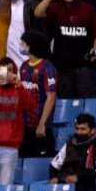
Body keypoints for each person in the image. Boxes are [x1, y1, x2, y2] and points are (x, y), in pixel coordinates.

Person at [33, 0, 96, 99]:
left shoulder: (88, 9)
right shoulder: (55, 8)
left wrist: (95, 50)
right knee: (66, 102)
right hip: (62, 67)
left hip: (84, 65)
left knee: (87, 100)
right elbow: (38, 13)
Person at [50, 113, 96, 191]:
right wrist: (53, 177)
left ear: (92, 130)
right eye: (77, 129)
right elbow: (54, 165)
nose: (78, 132)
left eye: (83, 129)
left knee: (81, 189)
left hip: (86, 185)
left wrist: (78, 177)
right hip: (65, 181)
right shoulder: (70, 143)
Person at [17, 31, 57, 159]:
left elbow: (51, 97)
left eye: (23, 43)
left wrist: (42, 124)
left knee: (39, 164)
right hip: (24, 127)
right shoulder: (23, 66)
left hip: (41, 128)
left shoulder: (47, 67)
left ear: (32, 46)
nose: (21, 45)